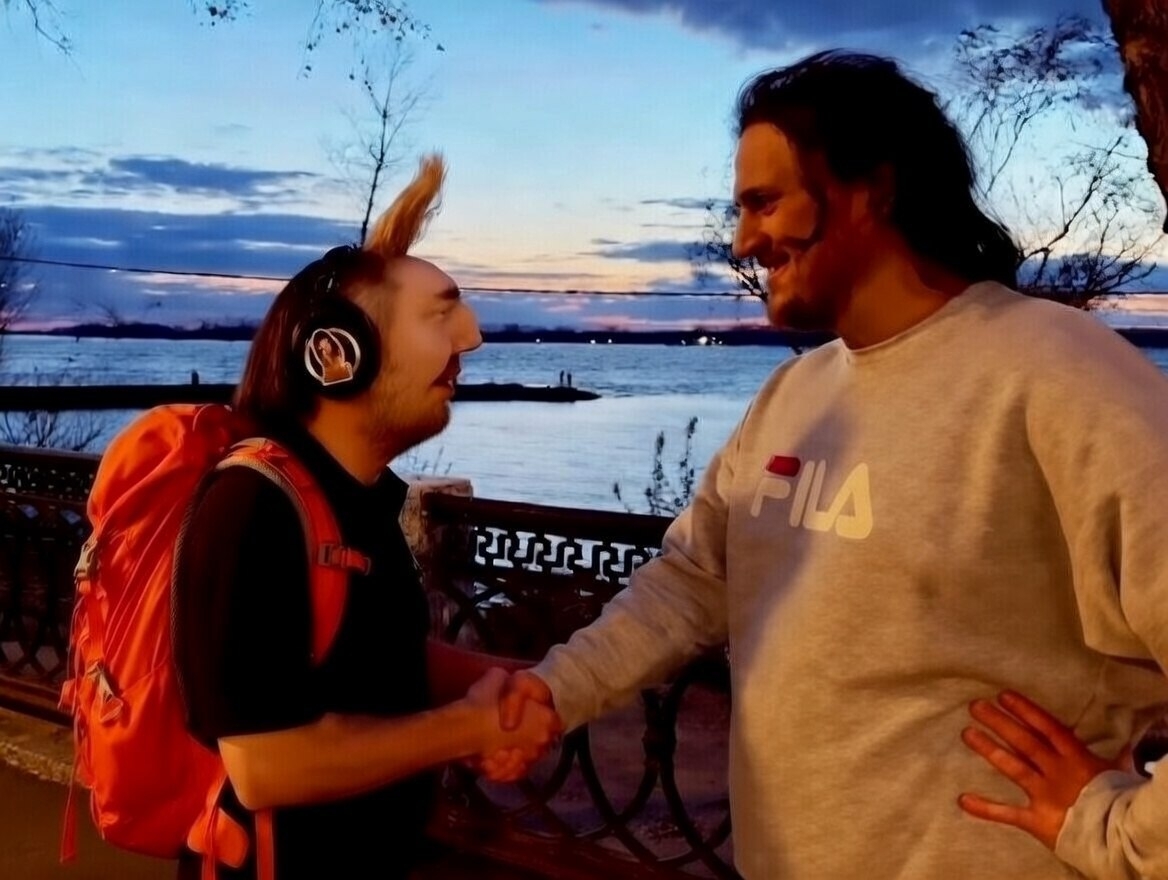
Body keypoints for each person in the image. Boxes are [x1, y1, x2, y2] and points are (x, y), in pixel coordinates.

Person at [493, 51, 1168, 879]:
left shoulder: (1059, 376)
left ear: (871, 190)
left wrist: (1116, 830)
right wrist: (555, 690)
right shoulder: (796, 395)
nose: (743, 242)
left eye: (764, 203)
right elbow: (694, 581)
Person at [172, 154, 561, 880]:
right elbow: (265, 765)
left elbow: (379, 658)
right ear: (337, 352)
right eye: (440, 314)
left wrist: (534, 682)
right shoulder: (251, 505)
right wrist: (467, 728)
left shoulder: (360, 497)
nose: (471, 338)